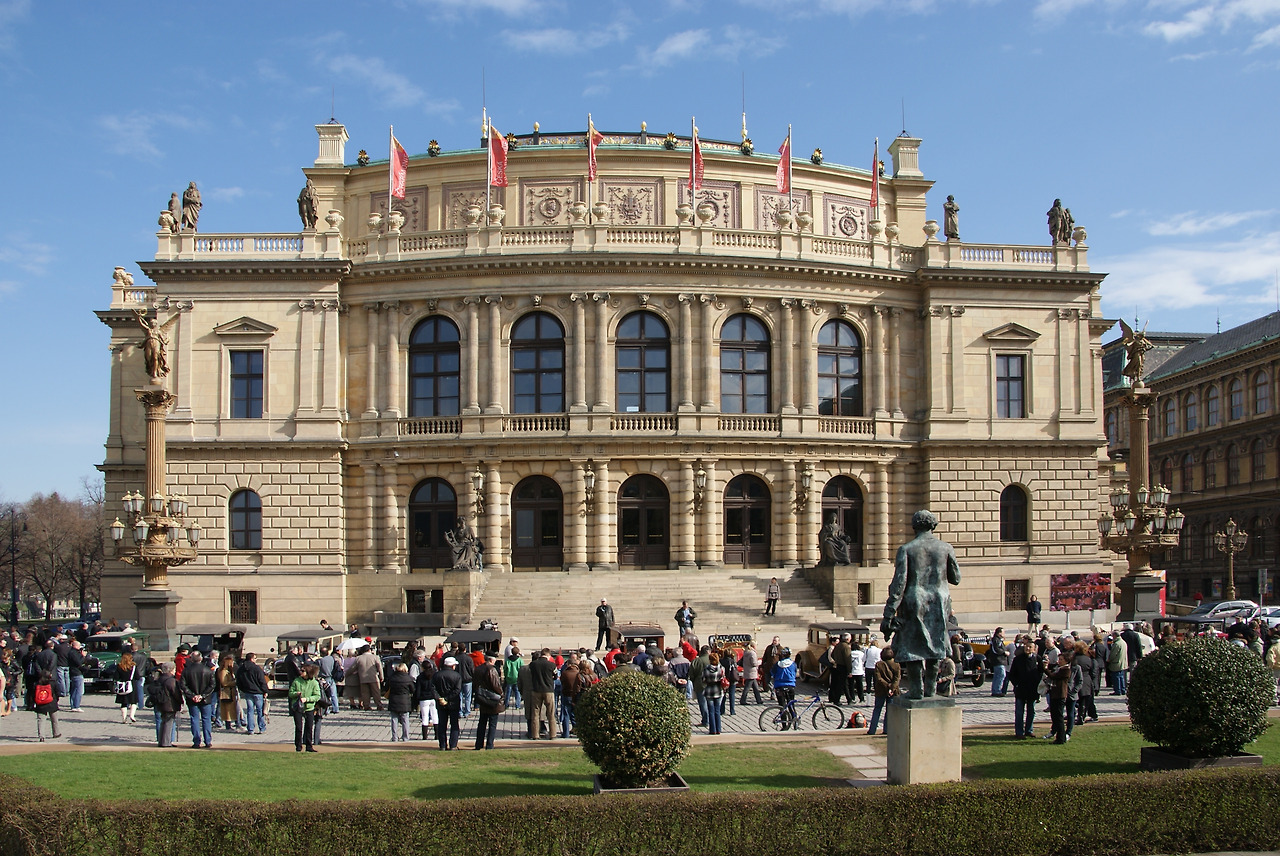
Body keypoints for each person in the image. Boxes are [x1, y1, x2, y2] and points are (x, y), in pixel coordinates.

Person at [880, 510, 961, 699]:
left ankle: (916, 689)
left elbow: (899, 584)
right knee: (935, 647)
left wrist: (889, 613)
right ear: (933, 526)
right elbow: (956, 578)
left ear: (914, 526)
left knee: (913, 648)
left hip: (914, 601)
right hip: (939, 602)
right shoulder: (946, 548)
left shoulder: (907, 549)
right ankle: (930, 689)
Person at [180, 650, 216, 748]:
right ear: (201, 658)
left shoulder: (186, 671)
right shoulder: (208, 670)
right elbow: (212, 685)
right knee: (206, 719)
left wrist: (192, 695)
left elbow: (183, 685)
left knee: (195, 719)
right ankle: (207, 740)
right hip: (205, 699)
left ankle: (197, 741)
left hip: (193, 699)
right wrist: (202, 695)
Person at [1008, 638, 1041, 738]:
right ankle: (1019, 732)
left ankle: (1029, 730)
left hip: (1032, 689)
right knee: (1019, 712)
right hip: (1021, 689)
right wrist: (1016, 684)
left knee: (1031, 711)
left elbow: (1041, 672)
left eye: (1030, 647)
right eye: (1026, 647)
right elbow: (1012, 674)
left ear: (1034, 649)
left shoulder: (1037, 659)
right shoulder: (1018, 659)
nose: (1028, 649)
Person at [430, 657, 463, 750]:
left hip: (441, 703)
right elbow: (457, 690)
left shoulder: (436, 675)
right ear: (452, 666)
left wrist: (439, 698)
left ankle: (442, 745)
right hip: (453, 703)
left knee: (442, 724)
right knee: (454, 725)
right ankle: (453, 744)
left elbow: (433, 688)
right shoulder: (457, 676)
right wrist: (447, 698)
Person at [147, 662, 183, 747]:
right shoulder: (171, 680)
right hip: (169, 704)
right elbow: (175, 693)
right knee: (168, 723)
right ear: (171, 670)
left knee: (163, 722)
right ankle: (166, 742)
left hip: (161, 703)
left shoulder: (159, 679)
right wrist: (181, 701)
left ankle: (162, 741)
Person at [288, 663, 322, 752]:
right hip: (298, 707)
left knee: (309, 727)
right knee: (298, 727)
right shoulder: (297, 681)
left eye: (303, 671)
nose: (301, 672)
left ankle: (309, 746)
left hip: (309, 707)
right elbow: (290, 693)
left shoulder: (314, 682)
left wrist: (307, 699)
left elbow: (317, 696)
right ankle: (298, 746)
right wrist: (296, 694)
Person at [868, 648, 900, 736]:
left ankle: (872, 730)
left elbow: (878, 678)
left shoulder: (878, 664)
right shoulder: (896, 664)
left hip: (881, 689)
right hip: (892, 691)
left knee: (877, 709)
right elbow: (897, 678)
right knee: (889, 710)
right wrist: (892, 688)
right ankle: (887, 729)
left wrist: (887, 685)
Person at [236, 652, 269, 735]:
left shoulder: (241, 669)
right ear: (251, 659)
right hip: (258, 692)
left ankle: (250, 729)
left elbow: (239, 682)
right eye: (255, 658)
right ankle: (262, 728)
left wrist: (243, 689)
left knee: (250, 711)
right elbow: (262, 681)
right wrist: (265, 691)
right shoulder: (257, 668)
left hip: (248, 692)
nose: (256, 660)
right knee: (259, 710)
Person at [529, 648, 557, 740]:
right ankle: (552, 734)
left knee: (535, 713)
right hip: (548, 690)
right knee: (551, 713)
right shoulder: (552, 665)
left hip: (536, 689)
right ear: (548, 655)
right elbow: (555, 676)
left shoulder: (533, 664)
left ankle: (535, 735)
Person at [386, 663, 416, 742]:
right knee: (405, 720)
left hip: (393, 700)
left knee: (394, 720)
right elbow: (413, 690)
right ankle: (405, 737)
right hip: (405, 700)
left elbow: (386, 688)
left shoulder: (392, 678)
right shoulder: (408, 678)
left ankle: (394, 737)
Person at [352, 645, 383, 711]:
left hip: (363, 678)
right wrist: (381, 676)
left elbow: (353, 668)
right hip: (373, 678)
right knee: (376, 692)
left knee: (365, 693)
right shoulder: (375, 657)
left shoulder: (358, 658)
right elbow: (379, 668)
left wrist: (347, 674)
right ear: (369, 650)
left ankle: (366, 706)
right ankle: (379, 705)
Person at [32, 669, 60, 741]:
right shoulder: (53, 683)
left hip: (40, 704)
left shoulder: (36, 684)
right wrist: (56, 700)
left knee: (41, 720)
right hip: (52, 703)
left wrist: (34, 703)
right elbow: (57, 693)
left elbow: (33, 695)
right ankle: (56, 733)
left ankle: (41, 736)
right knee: (54, 719)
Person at [114, 650, 139, 723]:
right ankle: (132, 715)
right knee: (133, 702)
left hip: (122, 686)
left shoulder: (119, 666)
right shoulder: (133, 666)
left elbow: (116, 677)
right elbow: (137, 676)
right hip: (131, 685)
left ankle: (124, 718)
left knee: (124, 703)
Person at [703, 652, 725, 735]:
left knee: (711, 710)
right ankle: (718, 729)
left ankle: (712, 729)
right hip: (718, 690)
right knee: (717, 710)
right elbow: (723, 678)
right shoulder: (721, 668)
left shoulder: (706, 669)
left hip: (709, 690)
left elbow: (703, 679)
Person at [215, 654, 239, 731]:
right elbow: (224, 683)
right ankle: (227, 725)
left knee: (232, 709)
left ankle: (233, 723)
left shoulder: (228, 671)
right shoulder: (223, 672)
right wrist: (234, 682)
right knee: (227, 709)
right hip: (226, 693)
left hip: (231, 692)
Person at [987, 628, 1009, 697]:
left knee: (997, 676)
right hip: (998, 660)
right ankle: (997, 691)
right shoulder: (996, 640)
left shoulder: (998, 640)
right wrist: (1004, 652)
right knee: (1001, 675)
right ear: (999, 633)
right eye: (1003, 632)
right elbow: (996, 650)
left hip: (999, 660)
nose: (1004, 634)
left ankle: (995, 690)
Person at [1107, 630, 1129, 695]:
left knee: (1116, 677)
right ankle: (1123, 689)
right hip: (1123, 662)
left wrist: (1109, 660)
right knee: (1121, 677)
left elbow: (1113, 654)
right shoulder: (1123, 642)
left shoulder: (1117, 644)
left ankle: (1118, 690)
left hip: (1117, 663)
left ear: (1114, 636)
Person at [503, 644, 524, 708]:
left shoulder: (508, 660)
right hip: (517, 677)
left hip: (509, 678)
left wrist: (506, 676)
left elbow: (505, 669)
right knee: (517, 692)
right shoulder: (520, 660)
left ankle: (506, 704)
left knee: (508, 692)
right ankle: (517, 705)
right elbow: (522, 669)